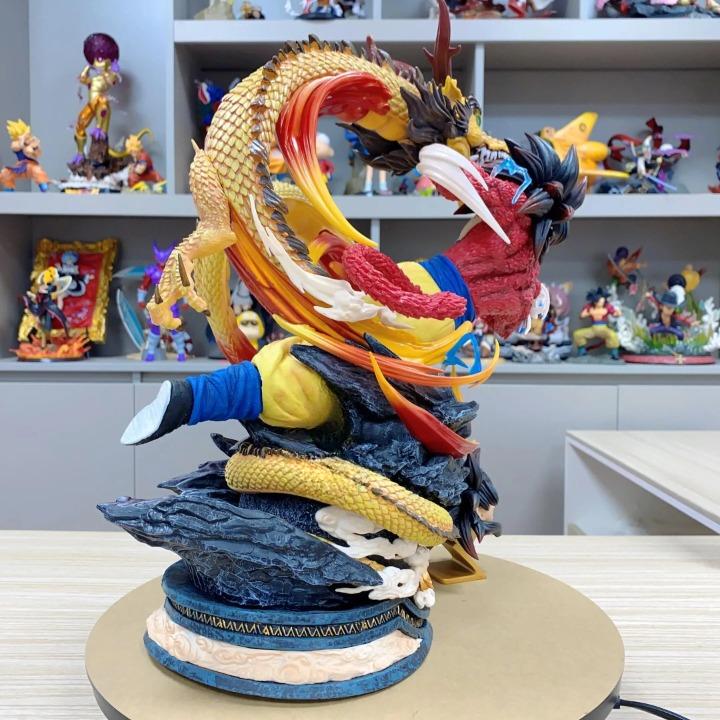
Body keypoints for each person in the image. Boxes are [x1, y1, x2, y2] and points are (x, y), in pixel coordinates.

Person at [573, 287, 621, 359]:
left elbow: (614, 314)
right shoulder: (589, 307)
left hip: (603, 328)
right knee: (578, 334)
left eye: (602, 302)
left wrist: (618, 313)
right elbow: (582, 315)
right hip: (593, 329)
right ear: (594, 301)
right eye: (599, 302)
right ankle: (582, 351)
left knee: (613, 335)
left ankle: (614, 353)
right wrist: (586, 313)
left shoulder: (607, 307)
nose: (601, 303)